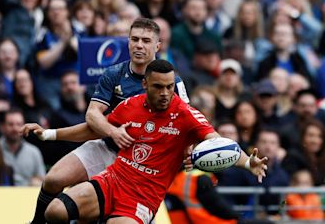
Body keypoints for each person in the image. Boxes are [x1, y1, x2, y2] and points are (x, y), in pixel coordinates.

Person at [23, 59, 267, 223]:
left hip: (143, 199)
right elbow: (93, 129)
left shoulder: (186, 114)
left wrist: (248, 163)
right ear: (144, 84)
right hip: (113, 180)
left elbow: (218, 144)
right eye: (158, 87)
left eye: (170, 87)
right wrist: (51, 133)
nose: (165, 93)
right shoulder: (130, 105)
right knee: (55, 212)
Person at [25, 17, 190, 224]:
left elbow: (187, 124)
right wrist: (113, 132)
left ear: (158, 45)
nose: (139, 45)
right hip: (107, 146)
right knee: (53, 179)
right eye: (135, 39)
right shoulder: (114, 73)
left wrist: (188, 150)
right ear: (128, 42)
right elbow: (92, 115)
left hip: (141, 165)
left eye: (146, 41)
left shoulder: (172, 81)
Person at [0, 109, 45, 186]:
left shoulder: (34, 152)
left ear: (25, 126)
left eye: (19, 124)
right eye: (10, 124)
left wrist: (37, 183)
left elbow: (42, 182)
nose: (15, 128)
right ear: (2, 127)